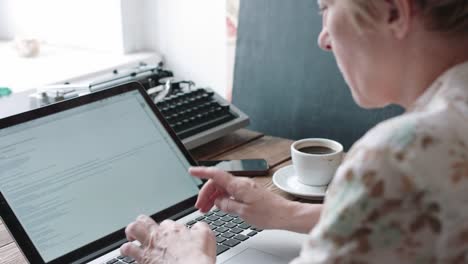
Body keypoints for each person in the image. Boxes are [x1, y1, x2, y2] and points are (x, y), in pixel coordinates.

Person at [120, 0, 468, 263]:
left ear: (393, 11)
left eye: (327, 7)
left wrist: (187, 260)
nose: (323, 39)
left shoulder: (401, 155)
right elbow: (416, 217)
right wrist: (286, 214)